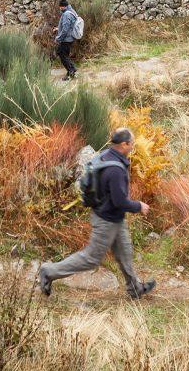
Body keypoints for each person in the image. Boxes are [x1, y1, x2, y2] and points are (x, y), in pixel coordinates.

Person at [37, 128, 156, 299]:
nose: (134, 145)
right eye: (132, 142)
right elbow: (120, 201)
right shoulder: (115, 170)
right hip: (106, 220)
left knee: (124, 252)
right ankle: (49, 271)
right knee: (91, 259)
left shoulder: (107, 155)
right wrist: (139, 206)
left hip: (111, 215)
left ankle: (135, 287)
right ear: (124, 144)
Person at [55, 0, 80, 81]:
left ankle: (71, 72)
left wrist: (58, 38)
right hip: (69, 38)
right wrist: (58, 28)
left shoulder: (66, 14)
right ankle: (72, 69)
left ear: (63, 7)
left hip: (66, 39)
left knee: (62, 54)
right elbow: (67, 26)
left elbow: (65, 29)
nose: (59, 9)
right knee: (64, 55)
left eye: (60, 7)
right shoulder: (71, 11)